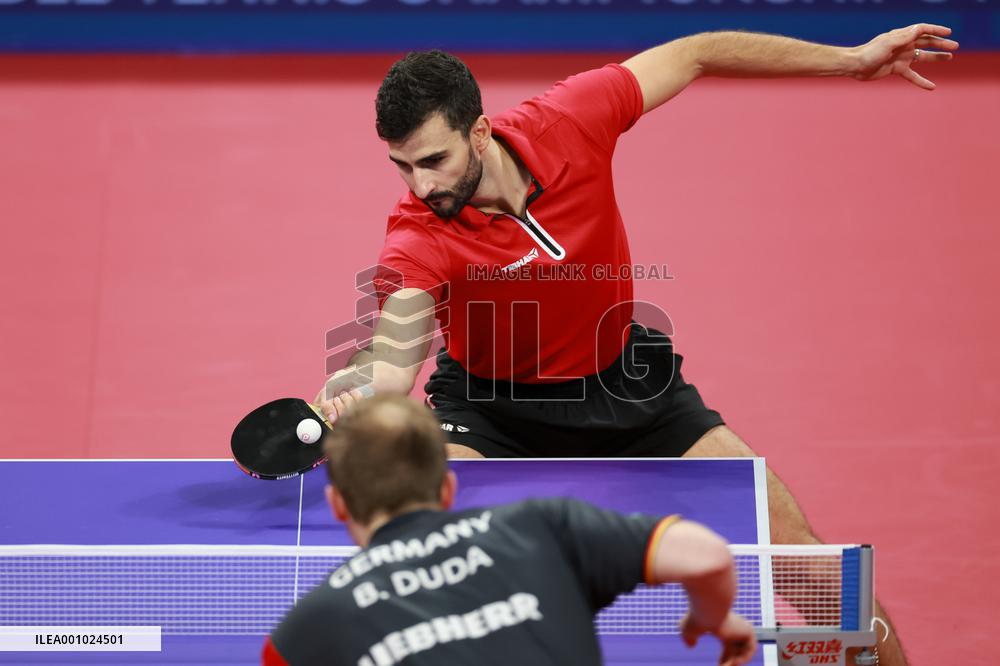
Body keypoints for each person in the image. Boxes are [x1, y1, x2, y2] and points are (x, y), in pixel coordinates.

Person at [317, 26, 958, 665]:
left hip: (624, 381)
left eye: (435, 161)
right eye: (402, 167)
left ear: (479, 132)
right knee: (440, 558)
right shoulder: (416, 236)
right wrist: (356, 386)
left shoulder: (570, 118)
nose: (421, 186)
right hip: (490, 406)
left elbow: (696, 53)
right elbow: (394, 357)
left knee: (802, 559)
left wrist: (851, 61)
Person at [263, 395, 757, 666]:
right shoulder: (544, 525)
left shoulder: (308, 628)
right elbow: (708, 557)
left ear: (337, 504)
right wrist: (710, 619)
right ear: (449, 487)